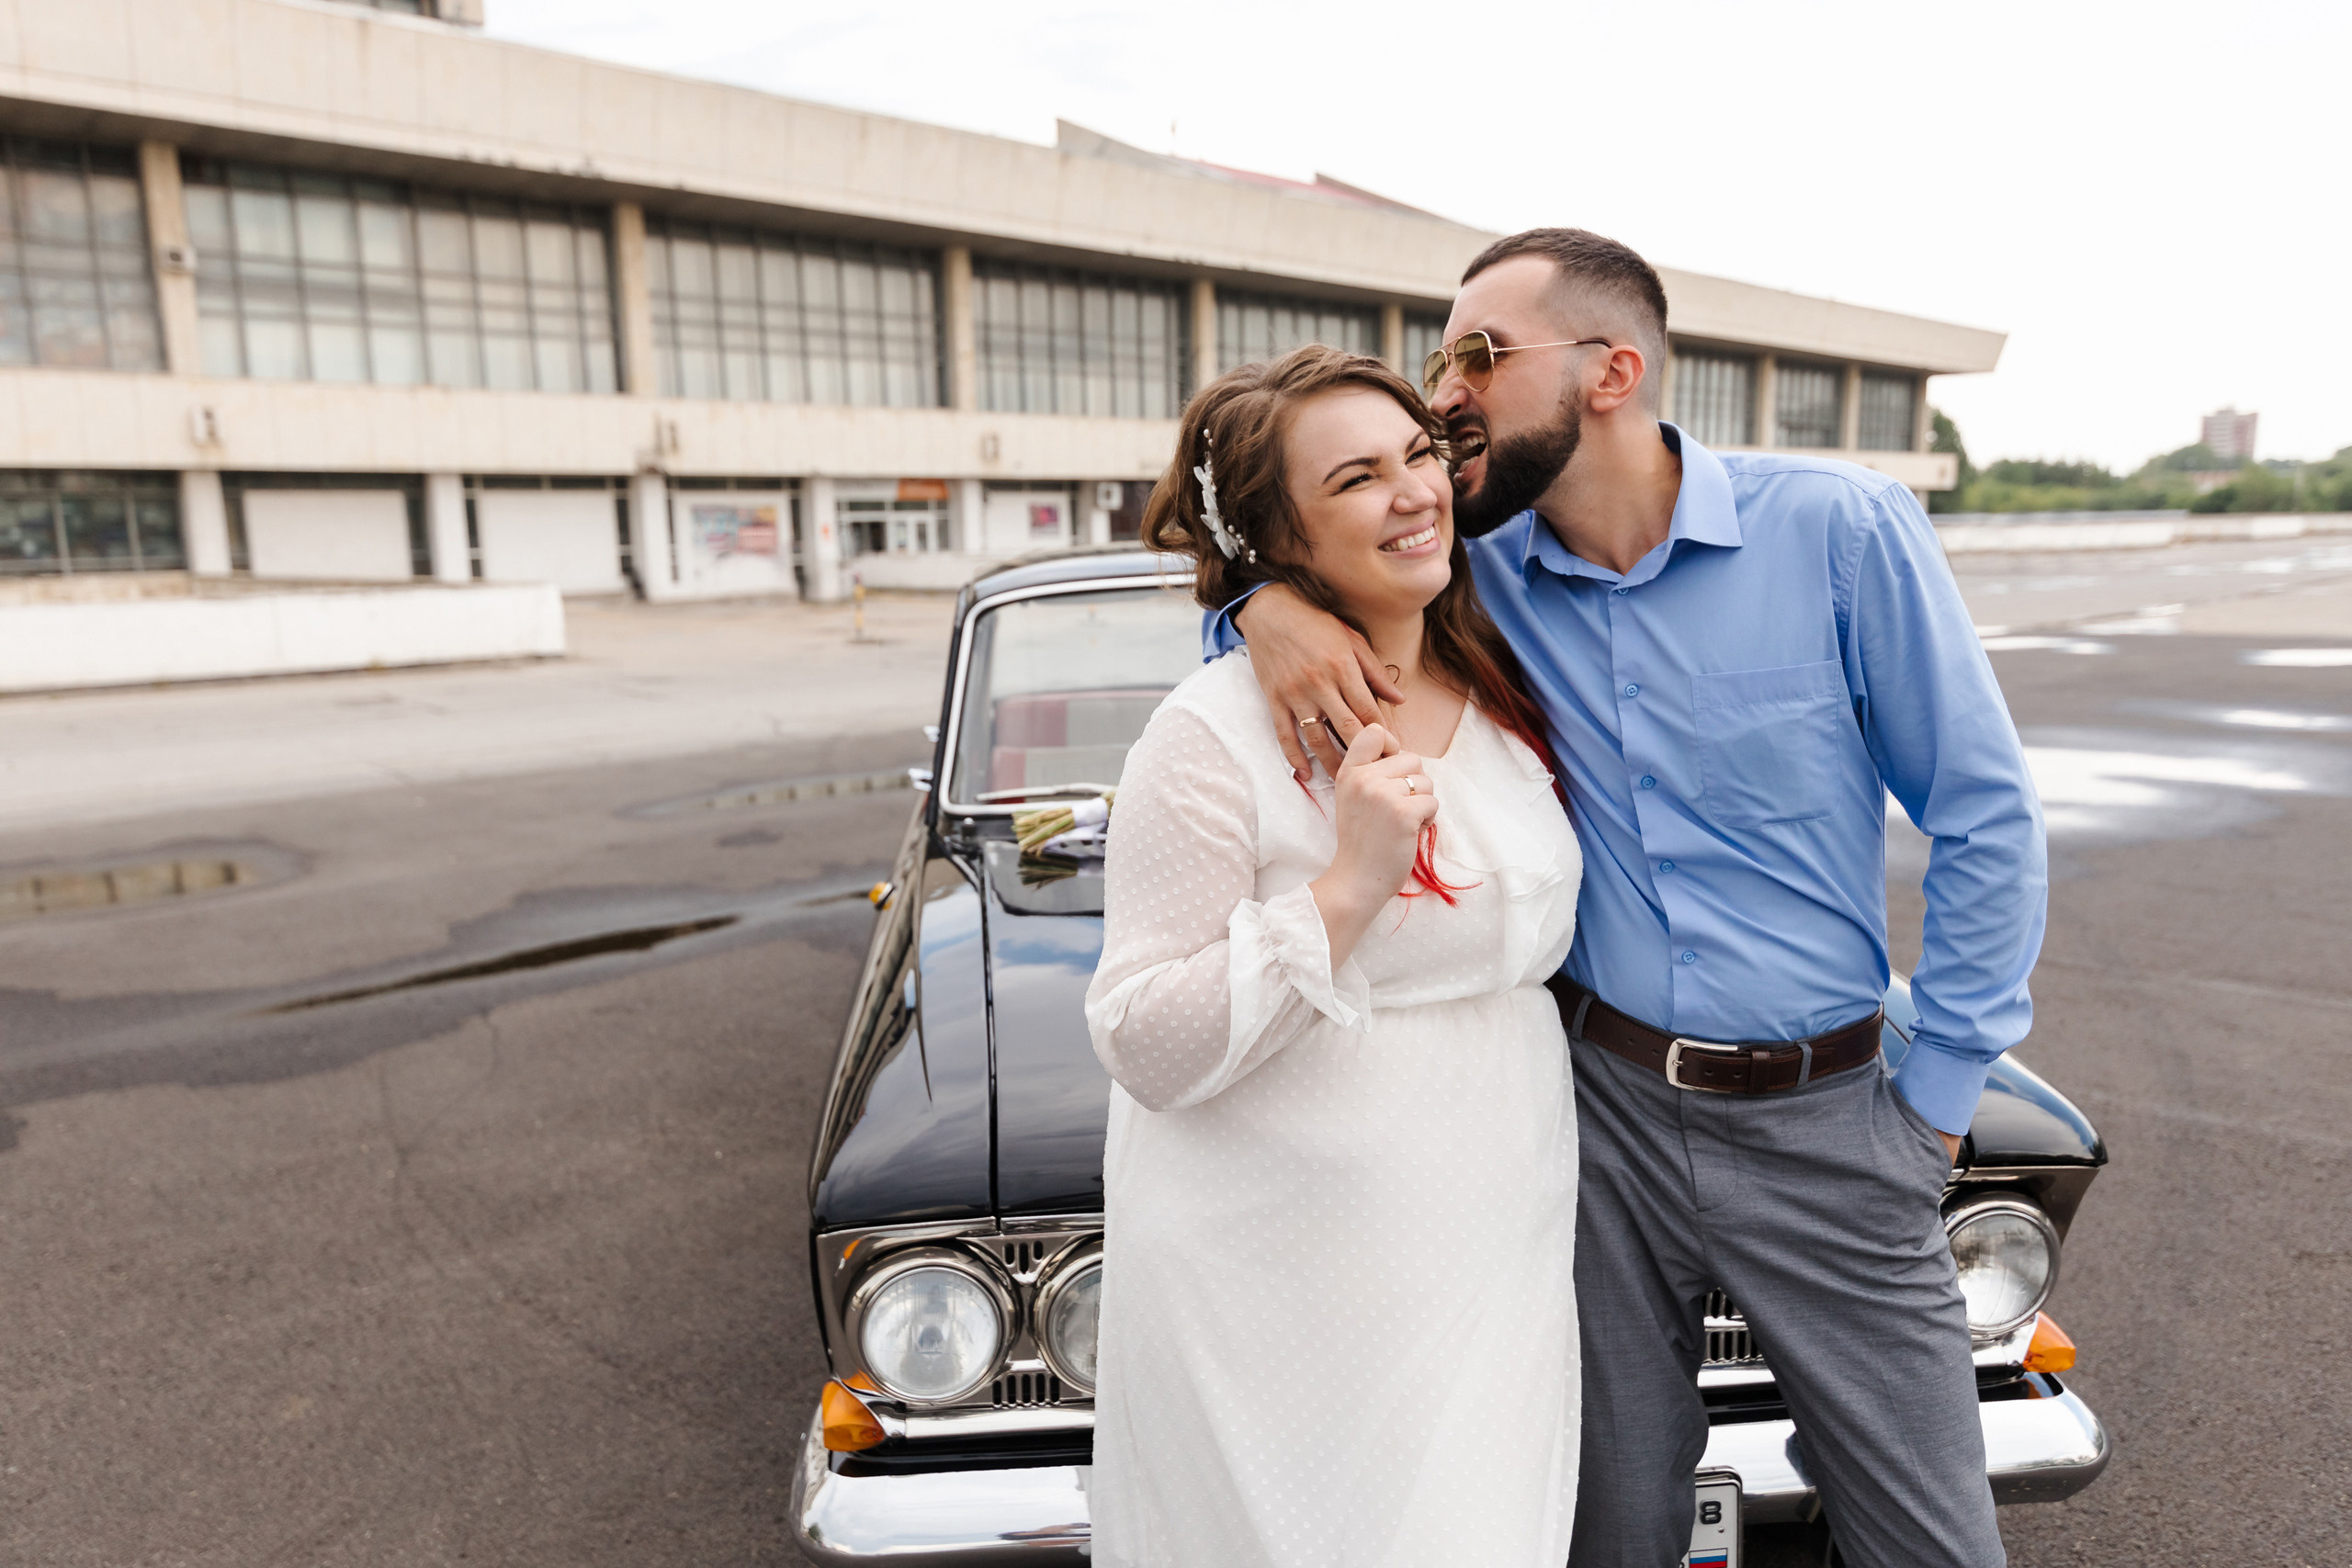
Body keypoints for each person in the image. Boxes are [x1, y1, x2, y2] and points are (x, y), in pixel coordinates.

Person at [1215, 230, 2047, 1568]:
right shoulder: (1476, 575)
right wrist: (1263, 607)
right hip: (1593, 1123)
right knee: (1604, 1528)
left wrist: (1936, 1104)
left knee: (1932, 1544)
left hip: (1836, 1126)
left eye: (1481, 355)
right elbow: (1316, 562)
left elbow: (1985, 816)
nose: (1446, 394)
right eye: (1441, 358)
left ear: (1612, 372)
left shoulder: (1840, 530)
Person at [1083, 345, 1584, 1567]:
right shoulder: (1208, 737)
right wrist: (1349, 885)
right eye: (1356, 478)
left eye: (1418, 454)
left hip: (1491, 1253)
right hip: (1282, 1286)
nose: (1415, 492)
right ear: (1275, 538)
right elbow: (1141, 1038)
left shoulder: (1498, 674)